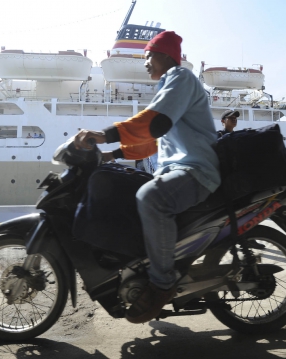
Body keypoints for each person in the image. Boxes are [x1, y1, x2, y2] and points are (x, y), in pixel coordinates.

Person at [73, 31, 220, 324]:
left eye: (148, 56)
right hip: (176, 171)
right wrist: (110, 156)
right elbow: (153, 142)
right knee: (127, 192)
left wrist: (105, 135)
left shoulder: (181, 77)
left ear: (165, 55)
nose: (145, 64)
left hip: (196, 171)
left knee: (150, 197)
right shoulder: (169, 86)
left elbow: (155, 123)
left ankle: (161, 285)